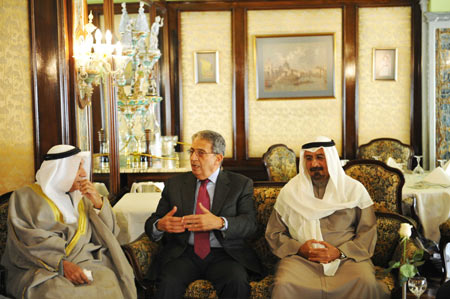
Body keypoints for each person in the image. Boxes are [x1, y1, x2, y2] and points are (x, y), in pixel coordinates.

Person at [1, 145, 136, 299]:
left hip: (84, 261)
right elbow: (27, 239)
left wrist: (99, 204)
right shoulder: (25, 197)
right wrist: (62, 265)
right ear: (61, 170)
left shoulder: (82, 197)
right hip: (42, 269)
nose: (84, 174)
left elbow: (109, 235)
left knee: (107, 281)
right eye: (78, 168)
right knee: (59, 292)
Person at [265, 136, 390, 299]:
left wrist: (340, 252)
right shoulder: (290, 192)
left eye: (320, 157)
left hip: (347, 258)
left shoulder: (353, 190)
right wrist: (299, 248)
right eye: (308, 158)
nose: (314, 164)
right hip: (301, 259)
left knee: (365, 282)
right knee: (283, 285)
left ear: (331, 159)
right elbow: (274, 234)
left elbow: (368, 232)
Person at [145, 130, 263, 299]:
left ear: (218, 158)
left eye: (200, 153)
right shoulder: (175, 184)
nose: (193, 158)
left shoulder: (240, 184)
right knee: (168, 283)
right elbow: (152, 222)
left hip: (225, 255)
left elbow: (250, 224)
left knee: (236, 282)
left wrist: (220, 222)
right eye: (191, 152)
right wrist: (160, 225)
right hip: (184, 253)